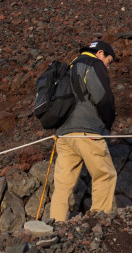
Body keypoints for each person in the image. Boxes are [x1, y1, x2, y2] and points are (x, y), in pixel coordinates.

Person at [49, 42, 118, 221]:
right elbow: (102, 98)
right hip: (87, 131)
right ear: (100, 53)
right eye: (108, 61)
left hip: (64, 134)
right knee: (105, 173)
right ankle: (100, 220)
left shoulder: (68, 68)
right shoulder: (92, 64)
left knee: (63, 184)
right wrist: (107, 123)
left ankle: (56, 223)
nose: (108, 66)